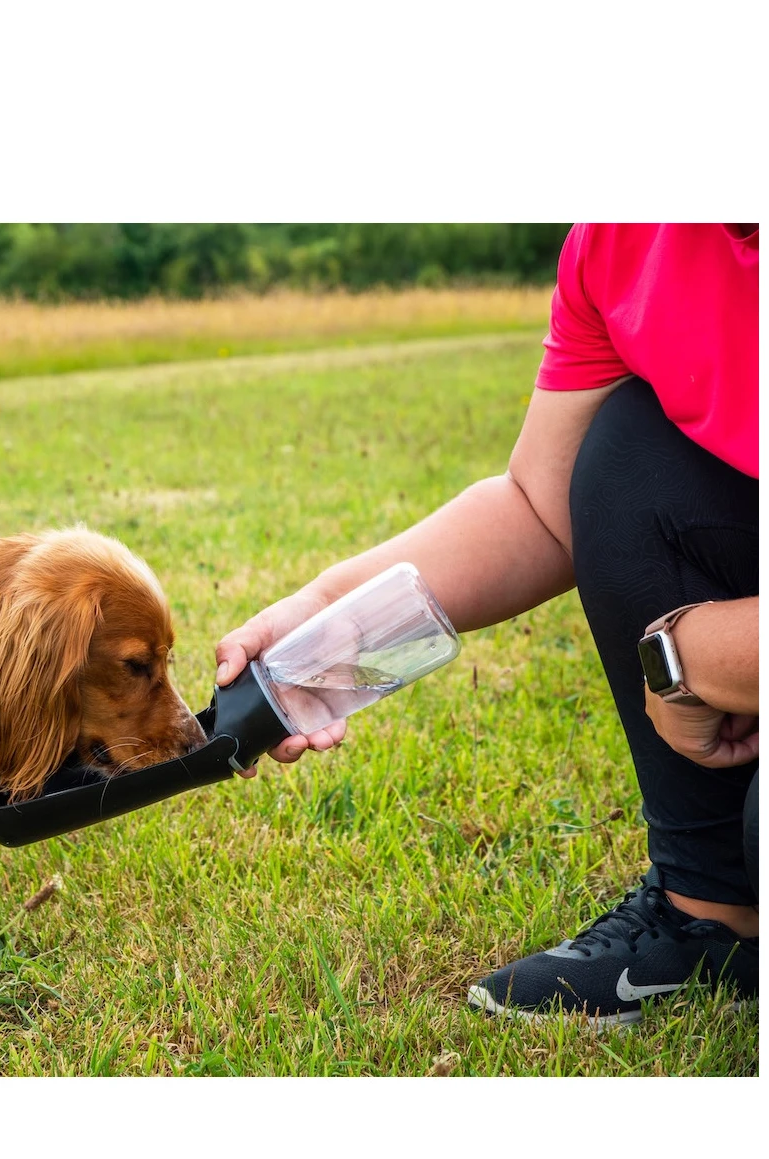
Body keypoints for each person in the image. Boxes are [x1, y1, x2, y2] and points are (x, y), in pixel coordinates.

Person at [215, 223, 758, 1027]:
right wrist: (327, 611)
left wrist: (691, 655)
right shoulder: (624, 238)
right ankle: (709, 918)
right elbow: (542, 505)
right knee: (626, 448)